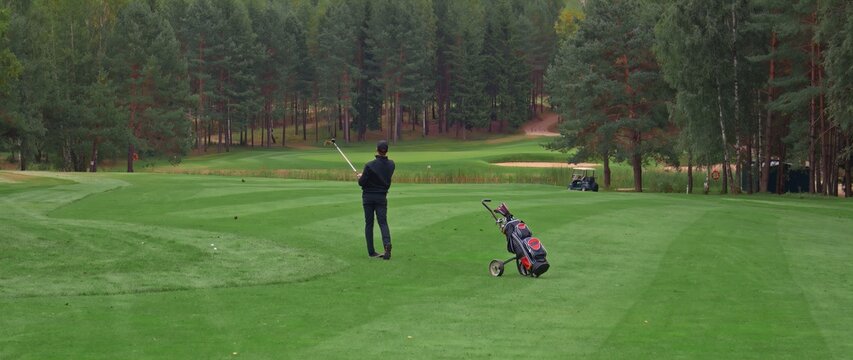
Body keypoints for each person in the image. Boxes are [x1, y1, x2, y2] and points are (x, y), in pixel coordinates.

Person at [357, 140, 395, 259]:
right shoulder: (391, 164)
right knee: (383, 222)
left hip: (368, 197)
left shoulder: (369, 165)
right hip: (381, 197)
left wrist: (361, 176)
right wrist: (364, 176)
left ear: (377, 150)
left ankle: (371, 251)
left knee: (369, 223)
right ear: (387, 150)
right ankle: (387, 244)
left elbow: (362, 183)